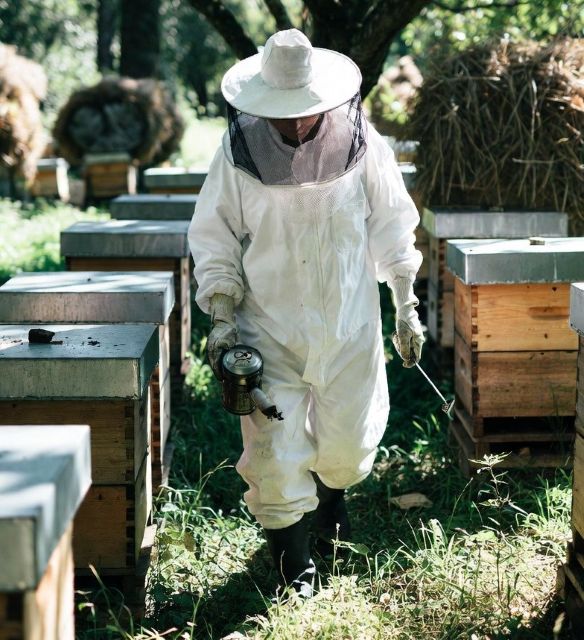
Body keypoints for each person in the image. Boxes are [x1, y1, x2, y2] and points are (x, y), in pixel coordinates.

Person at [188, 29, 424, 598]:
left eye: (305, 111)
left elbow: (393, 224)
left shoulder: (367, 144)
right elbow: (215, 236)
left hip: (351, 320)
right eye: (282, 113)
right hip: (268, 324)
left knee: (346, 444)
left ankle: (332, 501)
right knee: (273, 447)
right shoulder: (235, 152)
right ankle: (296, 565)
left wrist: (405, 304)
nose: (294, 124)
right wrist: (221, 316)